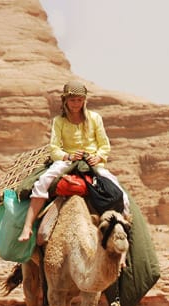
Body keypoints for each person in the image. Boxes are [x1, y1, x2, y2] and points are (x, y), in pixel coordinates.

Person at [17, 80, 130, 242]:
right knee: (42, 182)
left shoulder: (95, 118)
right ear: (65, 101)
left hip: (92, 163)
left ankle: (124, 227)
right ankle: (27, 227)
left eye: (79, 100)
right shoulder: (59, 121)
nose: (76, 104)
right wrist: (68, 156)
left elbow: (104, 145)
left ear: (84, 100)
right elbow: (54, 148)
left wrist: (98, 156)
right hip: (67, 162)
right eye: (72, 100)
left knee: (120, 192)